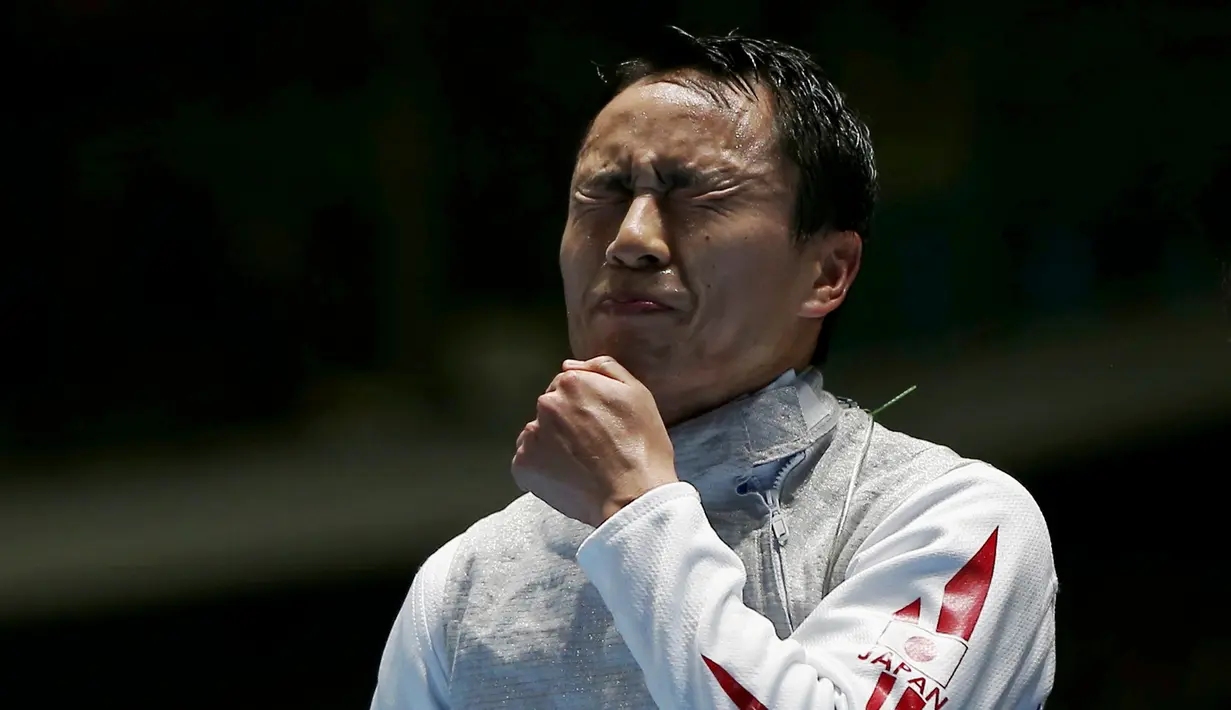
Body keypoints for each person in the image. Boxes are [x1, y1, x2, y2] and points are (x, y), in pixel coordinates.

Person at [371, 27, 1056, 710]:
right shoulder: (465, 586)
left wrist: (634, 510)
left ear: (827, 271)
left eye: (697, 193)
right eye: (603, 193)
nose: (630, 239)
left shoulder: (948, 520)